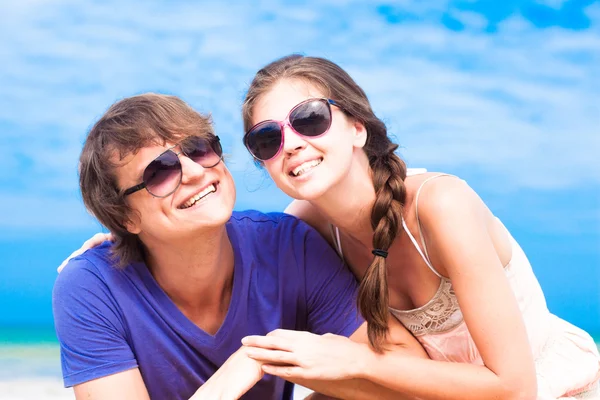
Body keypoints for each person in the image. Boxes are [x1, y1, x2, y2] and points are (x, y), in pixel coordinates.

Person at [235, 55, 600, 399]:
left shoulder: (441, 205)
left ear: (357, 128)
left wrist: (355, 359)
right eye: (268, 139)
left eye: (310, 119)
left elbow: (514, 389)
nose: (292, 145)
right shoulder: (305, 229)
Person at [52, 93, 428, 400]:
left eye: (199, 149)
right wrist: (244, 365)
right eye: (159, 172)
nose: (197, 171)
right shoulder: (91, 287)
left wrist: (277, 360)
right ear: (124, 219)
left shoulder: (288, 246)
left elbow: (403, 374)